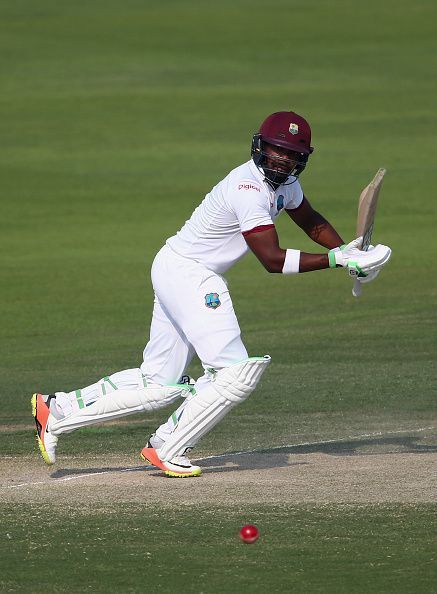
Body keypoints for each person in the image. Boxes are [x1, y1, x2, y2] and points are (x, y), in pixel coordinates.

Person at [32, 110, 391, 477]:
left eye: (290, 154)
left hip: (177, 266)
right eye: (274, 150)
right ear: (260, 147)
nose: (281, 159)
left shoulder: (287, 187)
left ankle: (56, 409)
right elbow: (271, 259)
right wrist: (335, 260)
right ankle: (168, 446)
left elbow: (312, 223)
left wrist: (350, 254)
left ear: (302, 159)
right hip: (192, 273)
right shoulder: (247, 189)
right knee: (234, 373)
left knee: (160, 382)